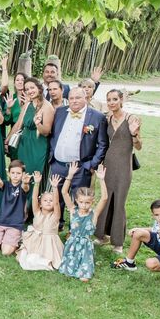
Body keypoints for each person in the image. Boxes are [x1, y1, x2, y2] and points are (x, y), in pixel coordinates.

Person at [49, 87, 108, 225]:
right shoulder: (60, 112)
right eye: (71, 98)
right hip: (58, 164)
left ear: (86, 98)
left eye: (78, 98)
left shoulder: (97, 117)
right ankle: (57, 224)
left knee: (79, 199)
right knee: (57, 196)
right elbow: (53, 135)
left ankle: (74, 228)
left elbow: (103, 144)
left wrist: (90, 165)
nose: (74, 101)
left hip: (81, 167)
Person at [94, 90, 142, 253]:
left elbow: (138, 146)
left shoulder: (131, 118)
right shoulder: (107, 118)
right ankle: (101, 235)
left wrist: (134, 133)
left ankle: (118, 242)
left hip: (123, 166)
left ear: (122, 100)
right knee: (106, 198)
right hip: (108, 164)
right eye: (109, 100)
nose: (112, 102)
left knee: (119, 201)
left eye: (115, 99)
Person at [7, 77, 54, 210]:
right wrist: (8, 139)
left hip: (38, 145)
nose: (29, 91)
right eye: (27, 89)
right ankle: (19, 208)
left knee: (34, 175)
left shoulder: (47, 107)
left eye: (32, 88)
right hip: (24, 144)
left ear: (39, 88)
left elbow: (46, 131)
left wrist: (38, 123)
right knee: (22, 174)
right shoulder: (27, 104)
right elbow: (19, 123)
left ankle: (31, 209)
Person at [59, 162, 108, 282]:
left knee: (84, 278)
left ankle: (83, 267)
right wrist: (70, 175)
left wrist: (101, 180)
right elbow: (64, 192)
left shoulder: (93, 214)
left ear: (92, 202)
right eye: (81, 202)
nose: (84, 205)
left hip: (85, 247)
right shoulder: (72, 210)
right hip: (72, 245)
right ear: (76, 200)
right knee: (67, 272)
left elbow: (104, 198)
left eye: (87, 202)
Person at [111, 199, 160, 286]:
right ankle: (129, 263)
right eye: (156, 215)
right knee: (139, 233)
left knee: (150, 263)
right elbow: (154, 230)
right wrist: (139, 229)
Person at [16, 173, 64, 271]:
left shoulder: (55, 216)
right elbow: (34, 198)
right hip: (35, 240)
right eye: (45, 200)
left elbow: (56, 202)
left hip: (49, 242)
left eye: (50, 200)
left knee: (47, 259)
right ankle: (36, 258)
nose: (48, 202)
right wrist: (37, 183)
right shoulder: (37, 212)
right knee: (24, 257)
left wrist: (55, 188)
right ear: (40, 204)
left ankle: (43, 261)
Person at [0, 161, 31, 255]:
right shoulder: (6, 185)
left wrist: (25, 182)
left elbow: (25, 187)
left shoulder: (22, 186)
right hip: (1, 221)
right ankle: (2, 237)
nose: (15, 175)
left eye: (18, 173)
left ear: (23, 174)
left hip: (15, 224)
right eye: (13, 173)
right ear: (9, 173)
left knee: (6, 252)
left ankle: (16, 238)